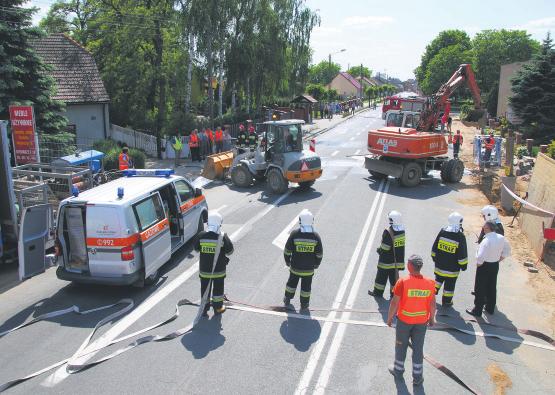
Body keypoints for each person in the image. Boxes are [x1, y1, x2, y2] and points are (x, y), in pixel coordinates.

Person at [387, 254, 436, 386]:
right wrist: (432, 318)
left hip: (404, 322)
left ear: (409, 266)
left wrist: (390, 318)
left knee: (400, 346)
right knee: (418, 350)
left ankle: (398, 371)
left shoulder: (403, 282)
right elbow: (432, 304)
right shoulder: (430, 283)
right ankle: (418, 377)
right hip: (421, 322)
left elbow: (394, 303)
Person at [466, 221, 511, 317]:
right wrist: (498, 260)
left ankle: (477, 310)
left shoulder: (486, 241)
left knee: (480, 287)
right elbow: (507, 250)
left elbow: (481, 256)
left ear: (487, 229)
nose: (483, 229)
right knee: (491, 286)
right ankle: (490, 308)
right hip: (494, 265)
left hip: (484, 266)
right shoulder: (501, 238)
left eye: (484, 227)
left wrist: (478, 264)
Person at [194, 211, 234, 316]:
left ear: (208, 223)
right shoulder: (222, 236)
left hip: (204, 271)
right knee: (218, 289)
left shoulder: (201, 235)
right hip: (219, 271)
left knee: (204, 289)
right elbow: (230, 251)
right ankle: (218, 308)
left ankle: (204, 309)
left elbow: (196, 249)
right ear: (219, 223)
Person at [283, 209, 323, 310]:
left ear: (300, 221)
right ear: (311, 221)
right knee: (306, 288)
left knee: (291, 284)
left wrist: (287, 261)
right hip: (308, 270)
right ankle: (304, 304)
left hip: (295, 268)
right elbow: (319, 254)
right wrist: (317, 264)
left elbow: (287, 250)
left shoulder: (295, 234)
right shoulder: (315, 236)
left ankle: (287, 298)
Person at [431, 212, 468, 306]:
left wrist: (435, 258)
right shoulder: (460, 236)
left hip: (440, 266)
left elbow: (435, 247)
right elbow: (462, 253)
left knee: (437, 281)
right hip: (452, 269)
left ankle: (430, 296)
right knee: (449, 286)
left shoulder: (443, 231)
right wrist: (463, 266)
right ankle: (447, 302)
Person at [368, 211, 405, 298]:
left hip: (386, 262)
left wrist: (379, 250)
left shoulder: (388, 231)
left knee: (381, 279)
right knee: (394, 279)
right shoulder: (402, 231)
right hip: (396, 262)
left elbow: (385, 247)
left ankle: (378, 293)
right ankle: (394, 294)